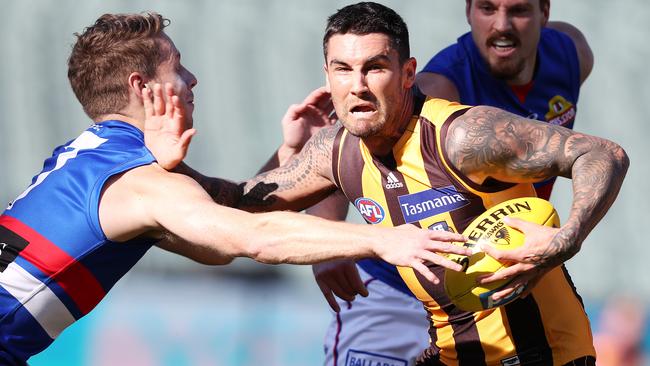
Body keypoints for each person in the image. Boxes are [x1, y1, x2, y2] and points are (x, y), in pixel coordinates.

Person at [0, 12, 474, 365]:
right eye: (177, 67)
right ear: (144, 88)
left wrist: (287, 155)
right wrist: (383, 239)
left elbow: (218, 238)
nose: (192, 79)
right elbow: (251, 239)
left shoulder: (93, 155)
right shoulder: (140, 182)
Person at [170, 2, 627, 365]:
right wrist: (160, 162)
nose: (359, 86)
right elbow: (237, 205)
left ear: (408, 74)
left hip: (538, 354)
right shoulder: (333, 150)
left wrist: (566, 239)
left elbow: (602, 153)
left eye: (375, 68)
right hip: (446, 347)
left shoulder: (463, 135)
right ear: (327, 77)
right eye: (343, 70)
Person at [312, 1, 596, 364]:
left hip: (484, 277)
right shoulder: (443, 86)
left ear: (544, 12)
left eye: (519, 10)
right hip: (393, 285)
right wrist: (330, 240)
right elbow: (358, 143)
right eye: (487, 8)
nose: (501, 25)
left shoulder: (572, 53)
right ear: (468, 12)